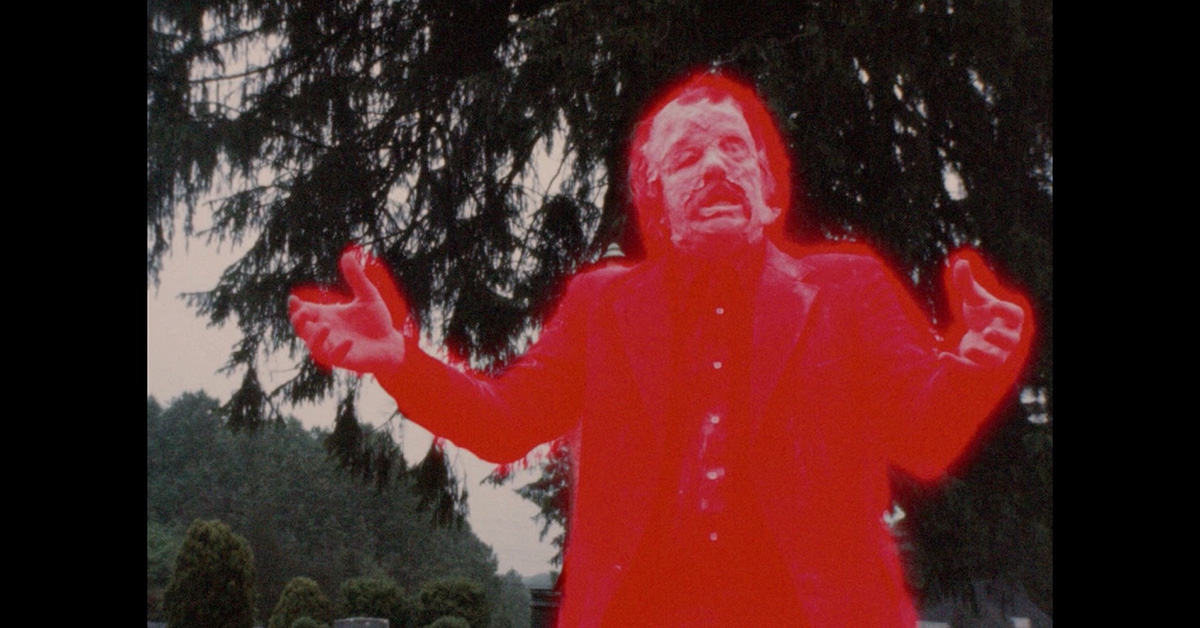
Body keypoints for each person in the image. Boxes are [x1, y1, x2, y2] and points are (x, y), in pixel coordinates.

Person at [289, 71, 1030, 628]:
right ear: (657, 204)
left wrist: (977, 368)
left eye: (733, 149)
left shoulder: (848, 288)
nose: (714, 167)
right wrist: (401, 361)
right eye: (686, 157)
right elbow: (505, 420)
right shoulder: (600, 306)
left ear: (769, 190)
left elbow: (923, 434)